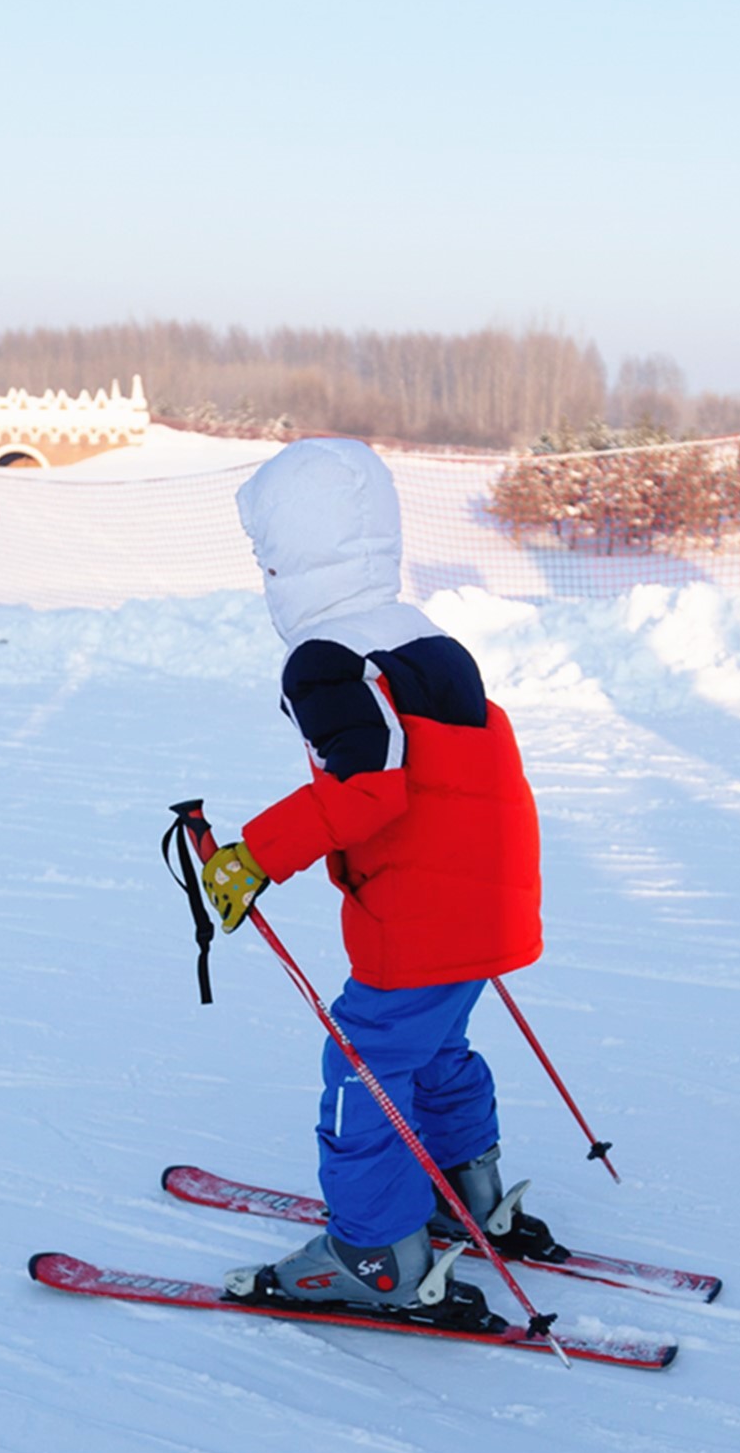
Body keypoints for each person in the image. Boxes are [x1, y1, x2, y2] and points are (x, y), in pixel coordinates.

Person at [200, 438, 554, 1327]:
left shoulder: (326, 656)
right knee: (434, 1049)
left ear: (287, 554)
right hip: (486, 897)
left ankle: (375, 1251)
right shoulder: (428, 638)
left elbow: (367, 788)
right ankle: (466, 1188)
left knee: (363, 1060)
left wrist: (256, 855)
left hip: (423, 916)